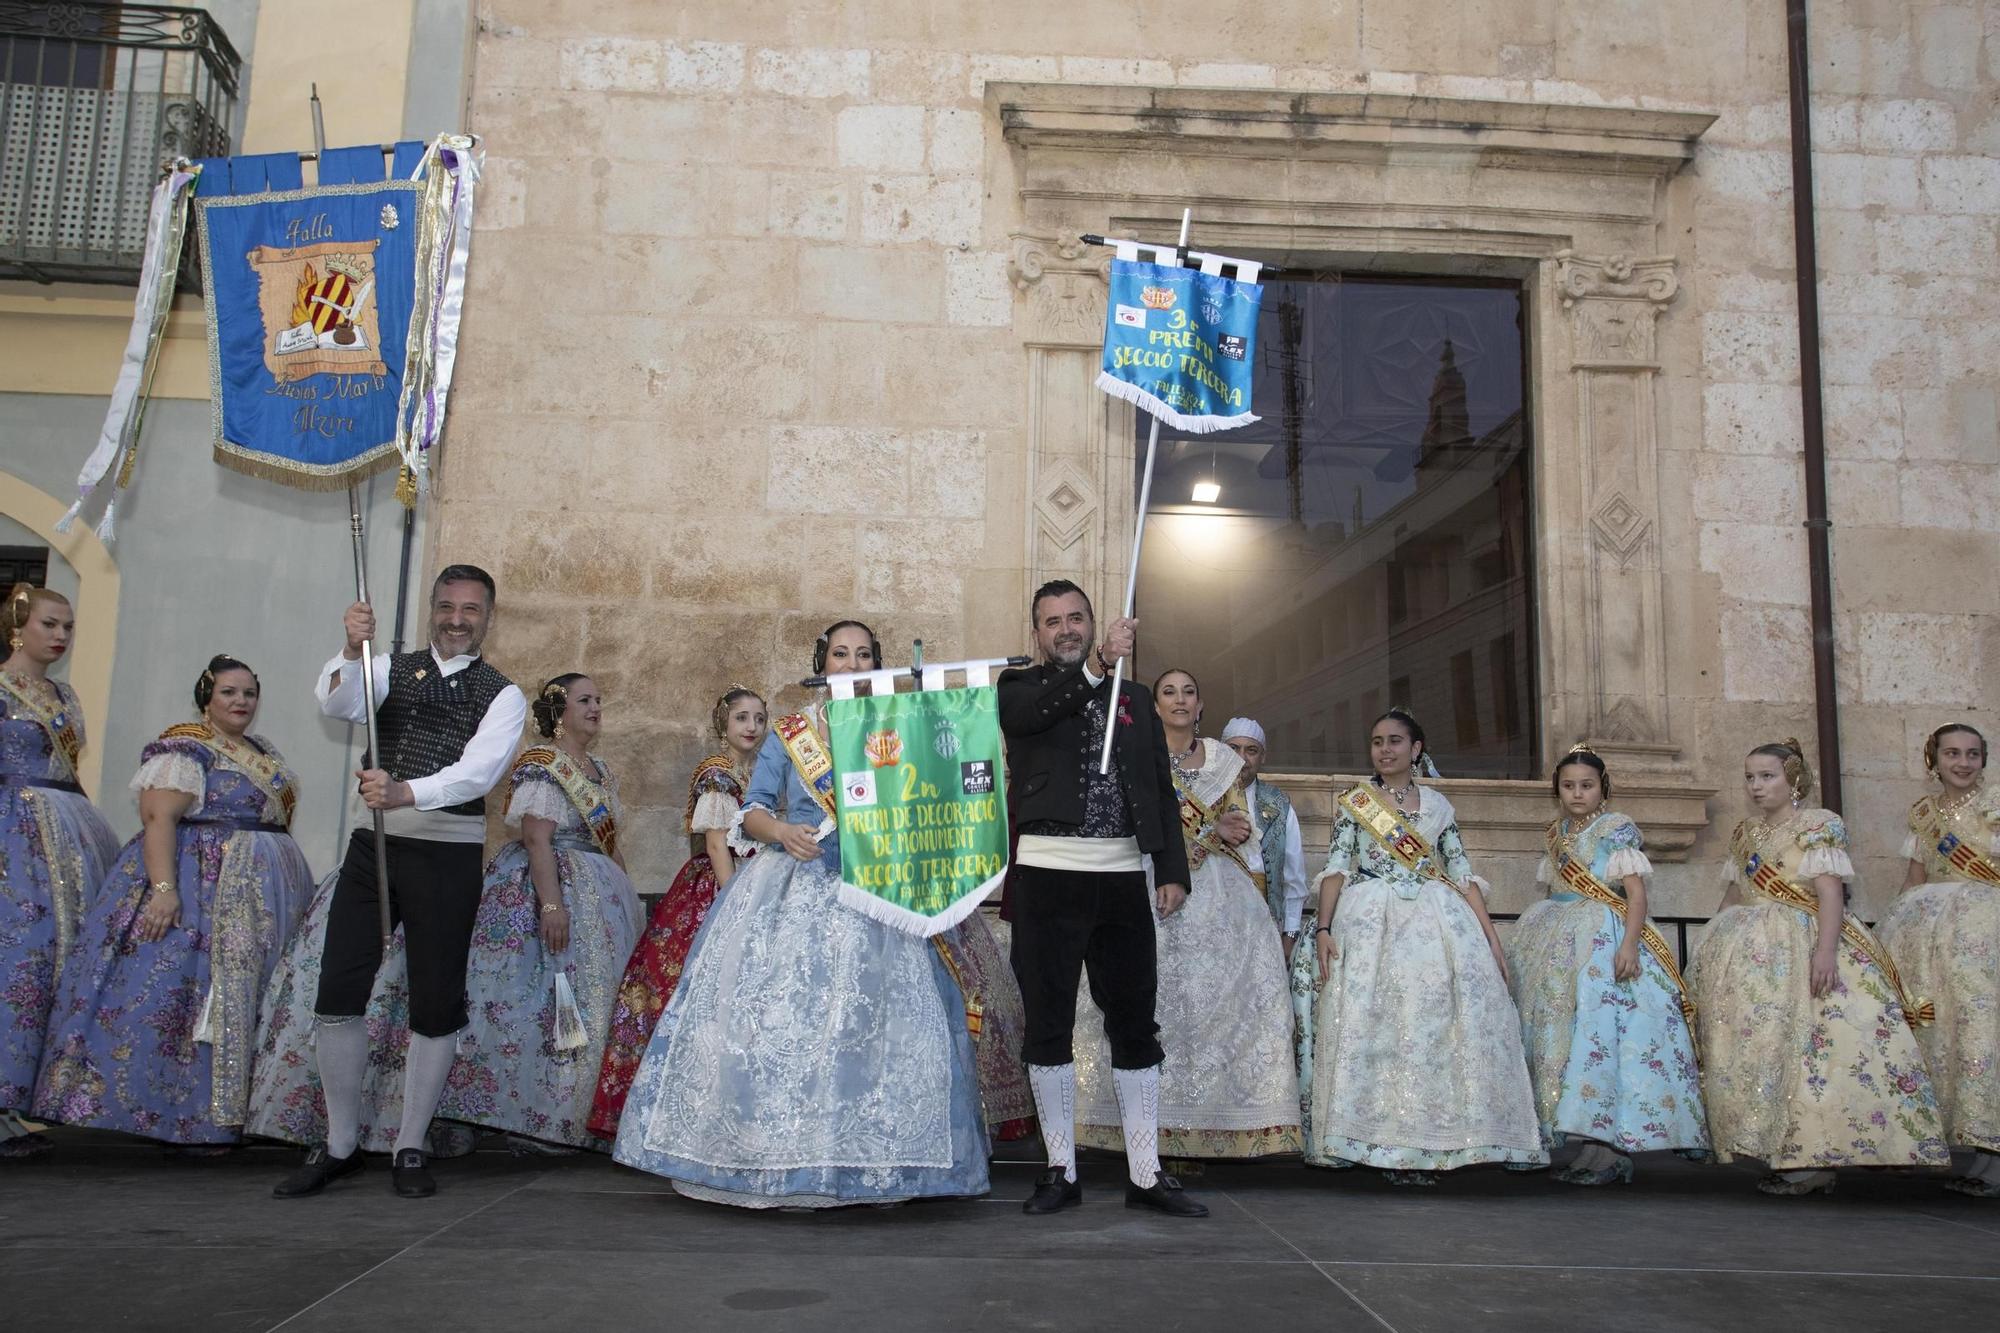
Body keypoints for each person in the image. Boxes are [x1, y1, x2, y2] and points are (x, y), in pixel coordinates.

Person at [613, 620, 989, 1209]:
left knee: (872, 1027)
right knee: (791, 1021)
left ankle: (868, 1156)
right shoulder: (791, 733)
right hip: (796, 889)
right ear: (822, 661)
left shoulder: (898, 723)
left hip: (877, 892)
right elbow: (754, 811)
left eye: (863, 654)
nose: (852, 663)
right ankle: (775, 1154)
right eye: (840, 653)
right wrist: (783, 831)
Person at [271, 565, 526, 1200]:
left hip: (447, 856)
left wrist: (407, 790)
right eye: (446, 605)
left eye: (470, 608)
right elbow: (336, 702)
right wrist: (349, 647)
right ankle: (339, 1144)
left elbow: (477, 775)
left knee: (435, 1001)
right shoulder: (389, 666)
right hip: (374, 849)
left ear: (488, 617)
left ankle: (410, 1144)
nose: (457, 618)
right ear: (432, 610)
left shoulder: (504, 694)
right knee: (338, 990)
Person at [34, 656, 312, 1150]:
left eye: (249, 693)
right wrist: (165, 891)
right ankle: (185, 1115)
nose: (241, 701)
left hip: (260, 894)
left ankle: (243, 1114)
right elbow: (158, 818)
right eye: (229, 692)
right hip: (204, 888)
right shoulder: (186, 748)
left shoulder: (260, 750)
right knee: (183, 997)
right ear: (207, 696)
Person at [1000, 580, 1205, 1217]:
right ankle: (1060, 1170)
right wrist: (1095, 669)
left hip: (1121, 880)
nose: (1065, 628)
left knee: (1136, 1025)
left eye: (1076, 618)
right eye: (1052, 621)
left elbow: (1159, 790)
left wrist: (1171, 869)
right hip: (1045, 877)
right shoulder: (1019, 688)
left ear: (1092, 622)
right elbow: (1028, 722)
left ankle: (1145, 1173)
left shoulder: (1138, 700)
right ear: (1036, 632)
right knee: (1049, 1024)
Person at [1690, 738, 1947, 1195]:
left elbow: (1829, 893)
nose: (1756, 786)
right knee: (1765, 1048)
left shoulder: (1817, 825)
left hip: (1806, 942)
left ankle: (1815, 1161)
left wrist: (1824, 952)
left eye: (1767, 776)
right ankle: (1783, 1150)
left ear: (1794, 779)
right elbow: (1734, 897)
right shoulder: (1746, 833)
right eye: (1750, 777)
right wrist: (1711, 949)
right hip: (1753, 952)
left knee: (1817, 1049)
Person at [1308, 707, 1544, 1184]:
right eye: (1377, 741)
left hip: (1439, 924)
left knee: (1438, 1029)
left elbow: (1459, 871)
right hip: (1372, 920)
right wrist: (1324, 928)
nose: (1385, 749)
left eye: (1395, 740)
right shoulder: (1356, 802)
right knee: (1382, 1028)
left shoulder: (1438, 806)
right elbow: (1337, 866)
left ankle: (1441, 1140)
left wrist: (1490, 938)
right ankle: (1381, 1141)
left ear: (1416, 749)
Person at [1073, 673, 1299, 1160]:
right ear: (1154, 706)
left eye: (1189, 692)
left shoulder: (1225, 762)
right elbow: (1123, 818)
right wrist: (1204, 829)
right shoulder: (1132, 754)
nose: (1180, 700)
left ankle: (1216, 1127)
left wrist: (1224, 831)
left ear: (1201, 705)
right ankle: (1139, 1127)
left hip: (1218, 893)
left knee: (1220, 1009)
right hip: (1145, 881)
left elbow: (1243, 829)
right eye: (1169, 692)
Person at [446, 675, 641, 1149]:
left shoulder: (600, 769)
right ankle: (530, 1113)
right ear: (559, 710)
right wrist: (551, 906)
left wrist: (630, 896)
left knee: (596, 1000)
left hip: (599, 888)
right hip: (549, 885)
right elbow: (537, 840)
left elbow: (608, 841)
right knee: (540, 997)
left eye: (598, 700)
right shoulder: (542, 764)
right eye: (584, 700)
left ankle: (579, 1114)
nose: (595, 708)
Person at [1504, 745, 1707, 1185]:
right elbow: (1552, 886)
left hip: (1603, 935)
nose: (1577, 793)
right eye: (1568, 786)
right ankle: (1589, 1148)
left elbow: (1635, 894)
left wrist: (1630, 945)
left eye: (1587, 785)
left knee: (1604, 1036)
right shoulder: (1555, 831)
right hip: (1556, 932)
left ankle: (1612, 1150)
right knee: (1566, 1037)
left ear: (1603, 788)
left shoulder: (1616, 829)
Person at [588, 687, 766, 1141]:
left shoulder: (751, 774)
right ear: (722, 724)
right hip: (717, 885)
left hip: (745, 881)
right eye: (742, 717)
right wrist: (732, 904)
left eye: (759, 719)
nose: (751, 726)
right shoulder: (717, 774)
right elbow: (715, 842)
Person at [0, 584, 119, 1158]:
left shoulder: (65, 695)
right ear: (18, 626)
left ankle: (27, 1101)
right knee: (16, 963)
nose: (61, 636)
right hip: (13, 835)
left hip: (70, 837)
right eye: (50, 624)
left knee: (62, 963)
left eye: (68, 626)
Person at [1877, 723, 1998, 1197]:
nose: (1963, 763)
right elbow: (1916, 875)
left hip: (1984, 930)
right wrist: (1890, 934)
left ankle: (1993, 1154)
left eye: (1973, 754)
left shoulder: (1995, 806)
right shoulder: (1924, 813)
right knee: (1937, 1030)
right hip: (1927, 931)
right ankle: (1944, 1142)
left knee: (1981, 1032)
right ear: (1935, 759)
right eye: (1953, 753)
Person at [1220, 716, 1314, 1143]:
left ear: (1263, 756)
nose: (1242, 759)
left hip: (1263, 920)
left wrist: (1289, 934)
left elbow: (1294, 875)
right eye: (1234, 748)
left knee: (1259, 1022)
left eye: (1251, 750)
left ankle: (1257, 1117)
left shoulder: (1278, 804)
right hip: (1214, 920)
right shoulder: (1203, 795)